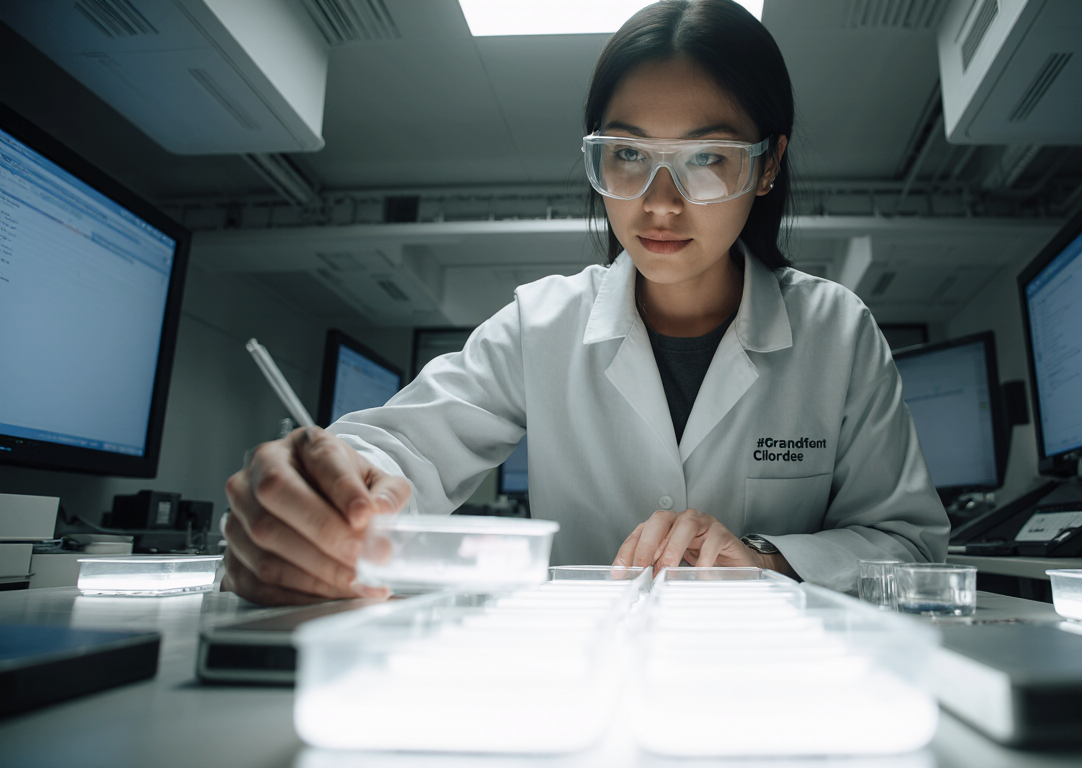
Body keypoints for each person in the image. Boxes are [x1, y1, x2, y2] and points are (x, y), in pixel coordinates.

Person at [222, 0, 949, 606]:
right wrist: (327, 489)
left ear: (767, 168)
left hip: (773, 683)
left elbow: (909, 546)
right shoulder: (542, 324)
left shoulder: (837, 332)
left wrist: (768, 563)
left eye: (706, 158)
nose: (659, 204)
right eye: (629, 155)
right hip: (582, 682)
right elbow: (403, 448)